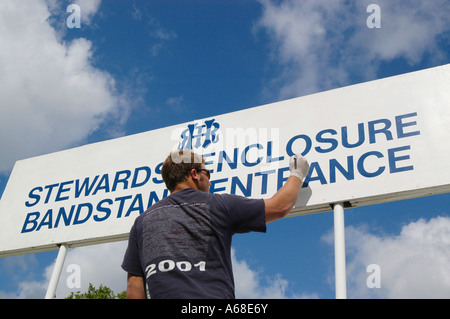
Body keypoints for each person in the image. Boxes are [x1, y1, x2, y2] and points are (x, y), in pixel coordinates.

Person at [121, 149, 309, 299]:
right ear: (194, 174)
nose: (210, 182)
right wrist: (298, 173)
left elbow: (134, 286)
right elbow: (279, 206)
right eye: (207, 173)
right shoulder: (216, 205)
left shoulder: (142, 222)